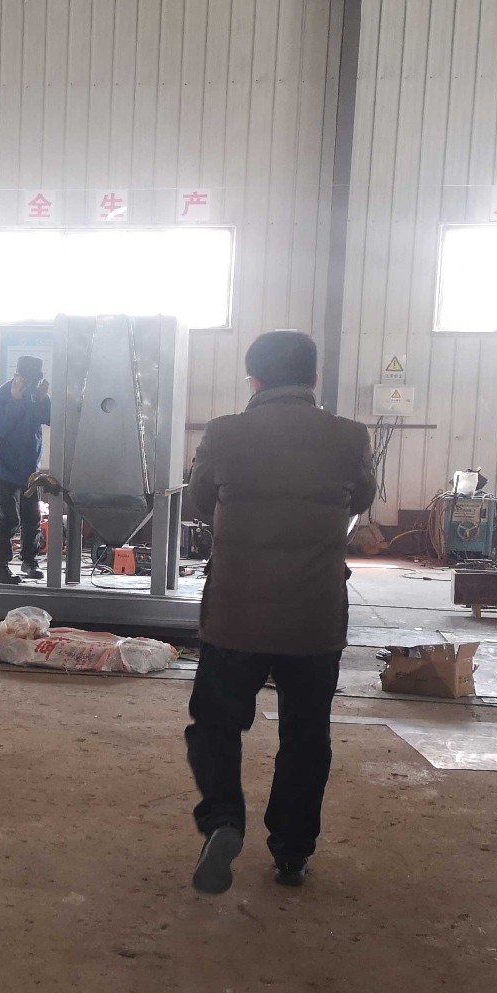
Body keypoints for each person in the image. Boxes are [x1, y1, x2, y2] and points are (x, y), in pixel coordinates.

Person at [183, 330, 376, 895]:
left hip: (235, 614)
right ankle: (292, 853)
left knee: (216, 725)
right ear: (313, 379)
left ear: (254, 380)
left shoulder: (224, 432)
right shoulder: (348, 436)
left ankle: (223, 820)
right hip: (314, 616)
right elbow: (362, 498)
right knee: (306, 734)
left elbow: (199, 499)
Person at [0, 356, 52, 583]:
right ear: (17, 376)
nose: (31, 385)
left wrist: (42, 399)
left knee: (32, 517)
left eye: (35, 381)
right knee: (8, 518)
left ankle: (29, 561)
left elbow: (50, 418)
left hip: (29, 468)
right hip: (5, 467)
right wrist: (14, 401)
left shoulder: (34, 394)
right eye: (28, 381)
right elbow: (1, 428)